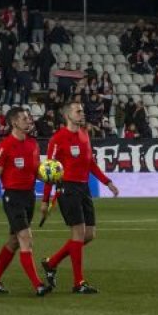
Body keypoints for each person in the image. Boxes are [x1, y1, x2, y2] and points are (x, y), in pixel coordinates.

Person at [41, 101, 120, 294]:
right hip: (67, 188)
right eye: (78, 111)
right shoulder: (57, 139)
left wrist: (107, 182)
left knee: (89, 234)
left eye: (82, 110)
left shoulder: (84, 134)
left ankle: (51, 262)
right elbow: (50, 171)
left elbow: (90, 163)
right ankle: (79, 283)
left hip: (84, 188)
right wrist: (45, 199)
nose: (82, 113)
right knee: (78, 233)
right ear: (68, 115)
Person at [0, 108, 52, 296]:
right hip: (12, 197)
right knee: (26, 239)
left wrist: (49, 177)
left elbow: (35, 171)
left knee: (14, 241)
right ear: (14, 123)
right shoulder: (4, 146)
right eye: (24, 118)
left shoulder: (33, 145)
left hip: (29, 196)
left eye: (29, 118)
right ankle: (38, 285)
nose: (29, 121)